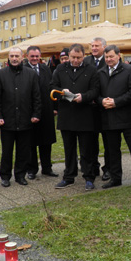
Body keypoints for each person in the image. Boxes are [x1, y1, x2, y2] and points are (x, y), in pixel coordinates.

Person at [97, 45, 131, 189]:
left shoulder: (129, 70)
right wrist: (102, 101)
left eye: (111, 56)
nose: (109, 59)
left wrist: (116, 102)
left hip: (127, 116)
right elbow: (96, 92)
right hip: (109, 118)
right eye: (106, 57)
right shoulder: (100, 72)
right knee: (112, 150)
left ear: (119, 55)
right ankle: (115, 178)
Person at [52, 43, 100, 190]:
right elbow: (52, 87)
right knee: (69, 149)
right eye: (73, 57)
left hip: (85, 115)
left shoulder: (91, 70)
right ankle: (69, 177)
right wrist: (62, 92)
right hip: (66, 115)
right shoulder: (60, 69)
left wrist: (83, 97)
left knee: (87, 150)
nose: (75, 60)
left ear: (84, 56)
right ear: (69, 55)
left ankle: (89, 177)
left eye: (78, 57)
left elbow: (95, 90)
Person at [0, 47, 42, 187]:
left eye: (17, 56)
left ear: (22, 57)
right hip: (7, 120)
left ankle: (20, 175)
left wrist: (36, 114)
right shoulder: (1, 74)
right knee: (7, 151)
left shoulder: (31, 74)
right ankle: (5, 176)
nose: (14, 58)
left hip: (25, 119)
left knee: (23, 151)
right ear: (8, 58)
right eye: (12, 56)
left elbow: (36, 96)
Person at [25, 46, 59, 179]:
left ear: (40, 56)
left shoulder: (45, 68)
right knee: (31, 142)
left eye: (36, 56)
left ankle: (47, 168)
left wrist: (55, 107)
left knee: (46, 141)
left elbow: (52, 88)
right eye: (32, 56)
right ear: (27, 56)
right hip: (30, 111)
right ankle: (31, 169)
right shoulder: (23, 69)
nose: (34, 58)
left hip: (46, 110)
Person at [84, 37, 109, 181]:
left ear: (104, 47)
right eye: (92, 45)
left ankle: (108, 169)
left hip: (106, 107)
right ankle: (93, 168)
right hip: (90, 109)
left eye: (97, 46)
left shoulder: (109, 59)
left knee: (108, 142)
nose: (93, 48)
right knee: (91, 142)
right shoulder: (86, 61)